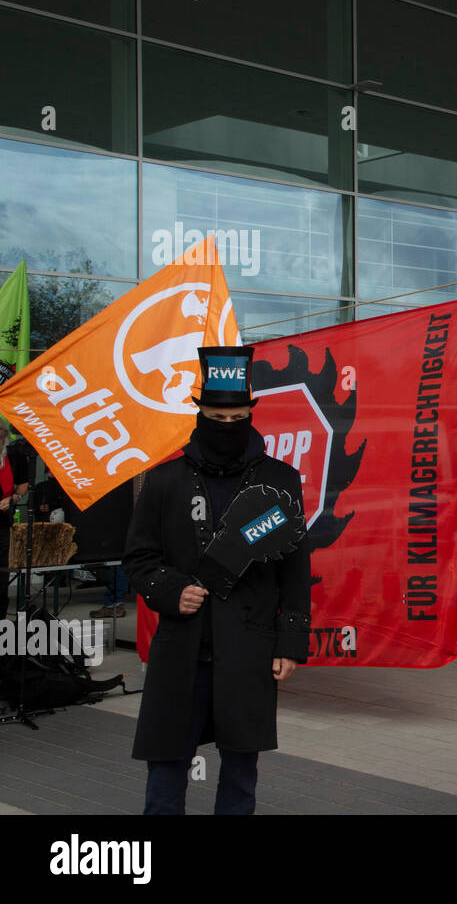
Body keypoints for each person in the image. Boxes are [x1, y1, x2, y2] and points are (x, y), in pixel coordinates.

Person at [127, 346, 311, 815]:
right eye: (215, 416)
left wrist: (290, 642)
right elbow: (139, 558)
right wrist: (170, 589)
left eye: (235, 417)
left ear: (251, 413)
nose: (225, 426)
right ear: (199, 413)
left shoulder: (280, 481)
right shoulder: (164, 480)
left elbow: (294, 565)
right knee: (166, 768)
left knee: (240, 772)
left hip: (248, 647)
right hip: (180, 648)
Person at [0, 434, 30, 620]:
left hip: (3, 524)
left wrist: (14, 498)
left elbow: (23, 483)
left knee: (2, 578)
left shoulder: (14, 454)